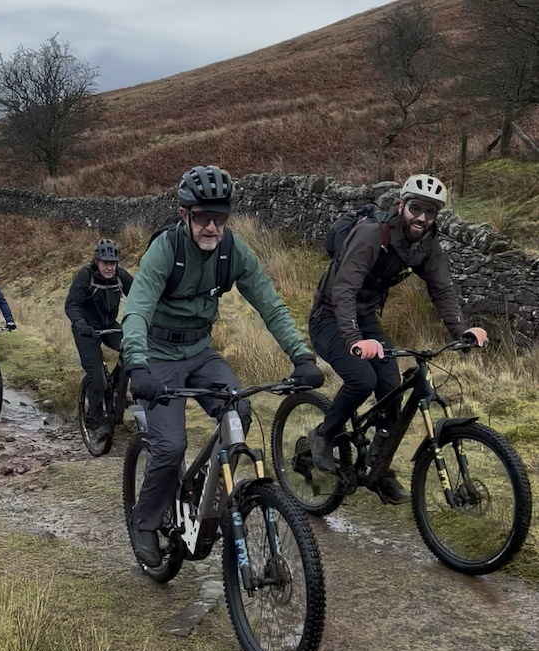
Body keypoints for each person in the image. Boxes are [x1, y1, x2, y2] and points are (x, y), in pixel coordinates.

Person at [121, 164, 324, 568]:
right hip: (158, 355)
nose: (211, 227)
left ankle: (199, 486)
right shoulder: (167, 249)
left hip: (200, 352)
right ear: (185, 215)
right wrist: (137, 365)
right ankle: (145, 522)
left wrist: (300, 355)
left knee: (240, 413)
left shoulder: (233, 250)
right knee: (171, 445)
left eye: (219, 218)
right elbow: (138, 308)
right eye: (202, 218)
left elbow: (270, 303)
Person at [308, 173, 488, 503]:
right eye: (416, 208)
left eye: (430, 212)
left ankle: (378, 470)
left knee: (390, 388)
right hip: (330, 317)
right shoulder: (371, 234)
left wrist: (460, 330)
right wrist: (354, 340)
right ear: (402, 205)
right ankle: (323, 435)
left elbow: (442, 288)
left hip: (364, 318)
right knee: (361, 379)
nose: (421, 217)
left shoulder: (425, 243)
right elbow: (343, 289)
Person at [65, 239, 134, 434]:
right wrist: (82, 325)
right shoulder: (85, 276)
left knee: (132, 348)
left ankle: (119, 391)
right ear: (96, 261)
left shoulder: (120, 277)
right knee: (96, 379)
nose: (109, 267)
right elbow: (71, 305)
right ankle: (92, 419)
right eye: (105, 263)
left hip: (109, 326)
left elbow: (140, 296)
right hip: (85, 330)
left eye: (113, 263)